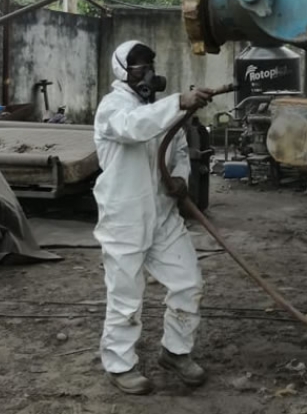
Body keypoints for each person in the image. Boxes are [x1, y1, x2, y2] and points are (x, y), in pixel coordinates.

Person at [92, 40, 213, 395]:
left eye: (148, 64)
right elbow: (134, 128)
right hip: (124, 217)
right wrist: (178, 102)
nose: (144, 71)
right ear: (121, 71)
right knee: (126, 297)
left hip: (162, 214)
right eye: (137, 65)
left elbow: (175, 149)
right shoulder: (112, 108)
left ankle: (175, 352)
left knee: (189, 283)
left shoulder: (158, 109)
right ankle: (120, 364)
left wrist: (180, 177)